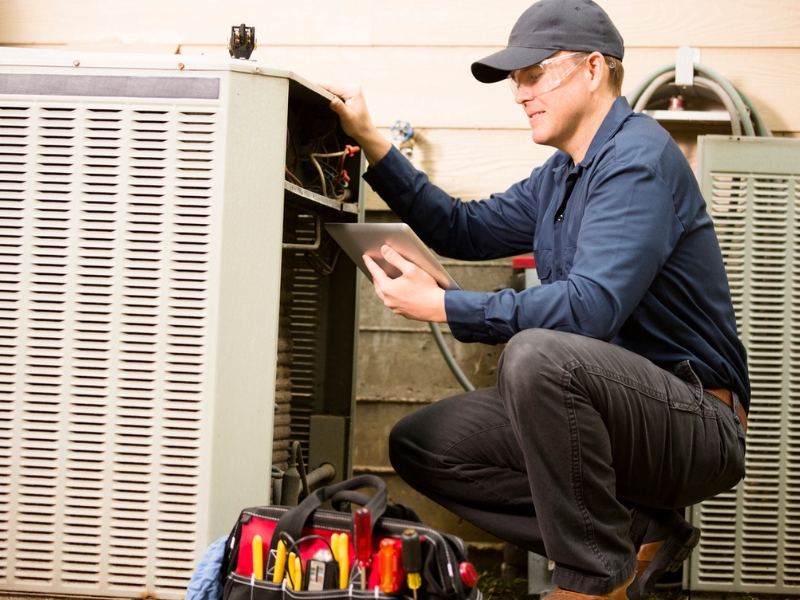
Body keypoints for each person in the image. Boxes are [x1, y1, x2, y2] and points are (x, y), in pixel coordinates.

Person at [321, 1, 749, 599]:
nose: (518, 93)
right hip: (607, 409)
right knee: (426, 444)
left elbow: (590, 308)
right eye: (514, 80)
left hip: (693, 418)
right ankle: (633, 535)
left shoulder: (639, 162)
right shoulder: (561, 175)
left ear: (593, 69)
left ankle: (590, 582)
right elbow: (462, 229)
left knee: (538, 356)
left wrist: (447, 307)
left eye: (532, 74)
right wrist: (370, 140)